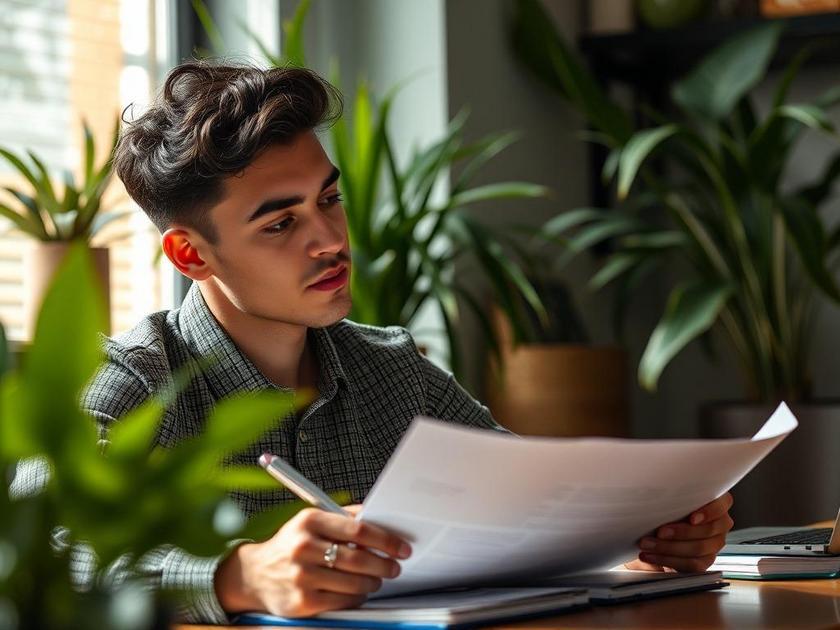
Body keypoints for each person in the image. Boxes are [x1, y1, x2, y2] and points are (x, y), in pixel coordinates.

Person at [74, 61, 733, 623]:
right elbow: (45, 555)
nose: (330, 239)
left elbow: (533, 498)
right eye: (281, 223)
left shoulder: (392, 368)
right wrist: (241, 576)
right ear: (191, 254)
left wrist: (647, 533)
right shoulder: (135, 379)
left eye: (328, 199)